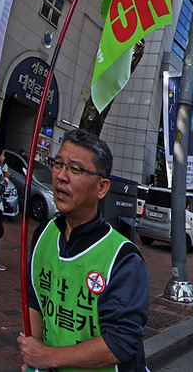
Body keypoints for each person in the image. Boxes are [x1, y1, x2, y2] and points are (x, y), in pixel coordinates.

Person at [17, 129, 149, 371]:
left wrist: (47, 356)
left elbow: (120, 343)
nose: (61, 176)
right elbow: (36, 296)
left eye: (75, 169)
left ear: (102, 187)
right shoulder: (44, 234)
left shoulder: (123, 258)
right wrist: (35, 351)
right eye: (58, 164)